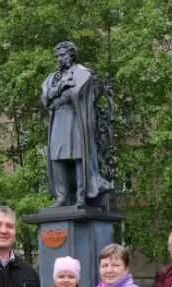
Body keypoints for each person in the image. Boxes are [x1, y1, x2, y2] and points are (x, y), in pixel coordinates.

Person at [41, 40, 113, 206]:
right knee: (57, 157)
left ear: (71, 55)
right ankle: (62, 196)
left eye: (63, 55)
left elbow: (75, 93)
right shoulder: (52, 78)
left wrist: (56, 95)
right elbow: (45, 99)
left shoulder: (81, 72)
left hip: (75, 120)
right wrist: (60, 89)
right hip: (58, 121)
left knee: (78, 156)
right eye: (57, 56)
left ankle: (81, 196)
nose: (59, 59)